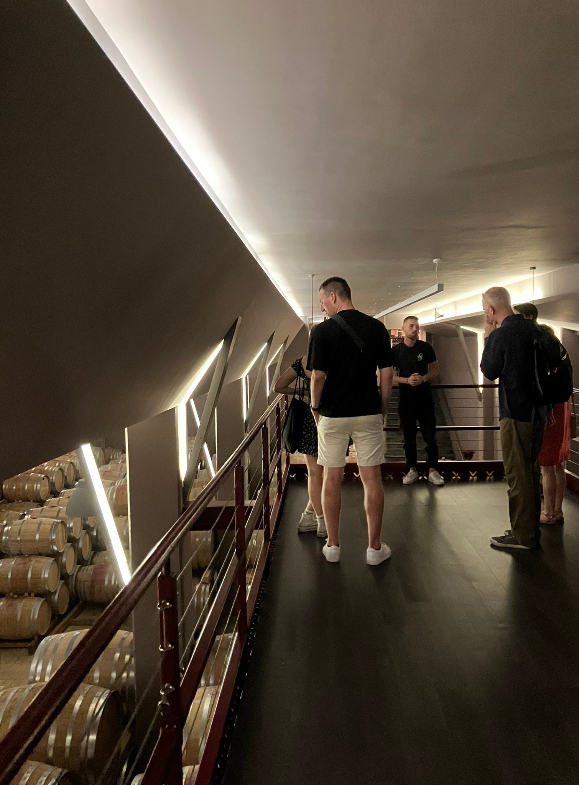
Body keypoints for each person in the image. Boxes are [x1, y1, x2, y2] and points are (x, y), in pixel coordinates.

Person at [307, 276, 393, 566]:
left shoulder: (322, 332)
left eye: (322, 302)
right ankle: (374, 548)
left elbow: (318, 376)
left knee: (332, 477)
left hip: (332, 414)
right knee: (372, 479)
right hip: (368, 411)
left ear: (333, 297)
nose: (322, 308)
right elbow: (387, 374)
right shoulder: (377, 328)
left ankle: (333, 546)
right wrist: (381, 407)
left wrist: (315, 407)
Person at [480, 286, 557, 550]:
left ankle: (522, 536)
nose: (485, 314)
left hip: (515, 413)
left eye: (484, 310)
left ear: (491, 310)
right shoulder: (534, 329)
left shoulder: (502, 334)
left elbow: (489, 371)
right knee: (531, 470)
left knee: (518, 474)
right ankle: (528, 528)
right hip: (538, 411)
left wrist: (488, 338)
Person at [274, 350, 326, 538]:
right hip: (331, 416)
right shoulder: (335, 360)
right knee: (328, 472)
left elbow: (278, 386)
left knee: (314, 473)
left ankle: (312, 516)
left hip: (309, 417)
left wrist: (302, 391)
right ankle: (317, 518)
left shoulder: (302, 361)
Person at [391, 316, 444, 486]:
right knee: (408, 436)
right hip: (406, 400)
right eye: (411, 326)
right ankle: (412, 469)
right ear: (404, 328)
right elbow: (389, 377)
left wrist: (424, 378)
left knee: (430, 436)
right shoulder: (396, 351)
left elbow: (435, 369)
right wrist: (407, 380)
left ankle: (433, 470)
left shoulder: (426, 348)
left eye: (417, 326)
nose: (415, 329)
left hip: (425, 399)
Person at [537, 324, 572, 525]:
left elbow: (546, 389)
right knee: (558, 465)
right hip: (563, 411)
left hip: (551, 413)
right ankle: (557, 510)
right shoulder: (562, 357)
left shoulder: (547, 362)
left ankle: (548, 512)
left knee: (547, 467)